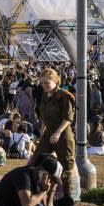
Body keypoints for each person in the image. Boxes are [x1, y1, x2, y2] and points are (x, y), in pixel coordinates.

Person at [31, 68, 76, 197]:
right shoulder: (45, 95)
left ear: (56, 81)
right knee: (37, 161)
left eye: (47, 82)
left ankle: (68, 199)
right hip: (48, 132)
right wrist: (43, 128)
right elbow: (44, 114)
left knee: (66, 168)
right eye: (42, 82)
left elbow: (68, 118)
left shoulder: (64, 96)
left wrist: (57, 133)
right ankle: (35, 193)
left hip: (63, 134)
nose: (44, 85)